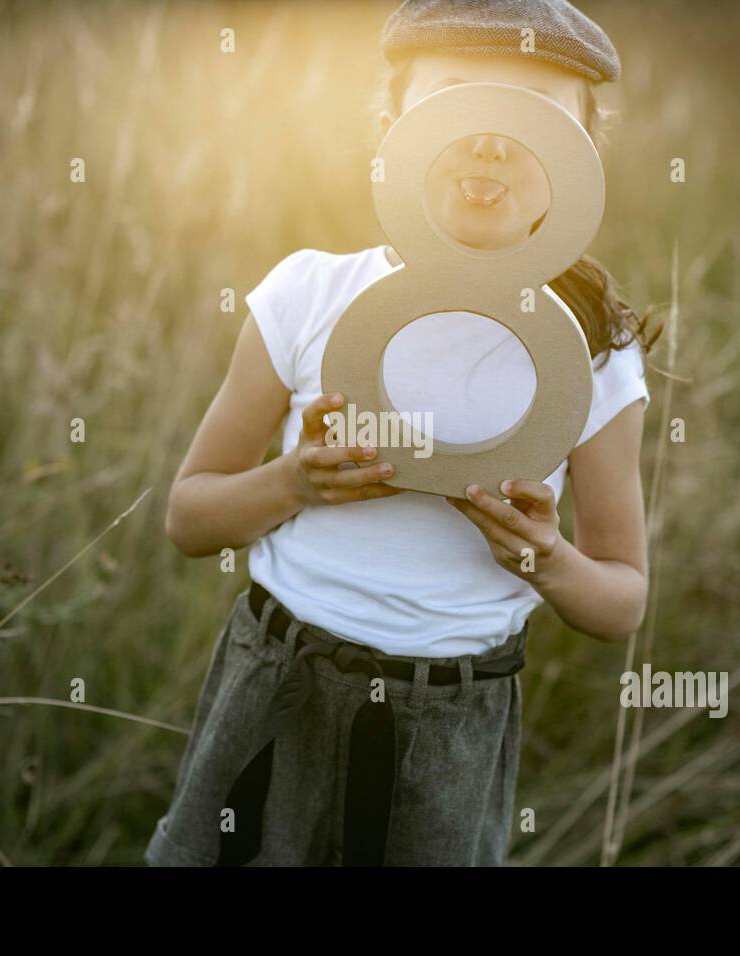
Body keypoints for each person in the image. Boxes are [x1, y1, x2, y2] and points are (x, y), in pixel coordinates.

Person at [147, 0, 658, 867]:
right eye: (457, 100)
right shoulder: (306, 297)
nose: (491, 142)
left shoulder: (591, 362)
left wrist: (543, 557)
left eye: (531, 113)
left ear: (582, 161)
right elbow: (189, 519)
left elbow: (622, 599)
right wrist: (294, 484)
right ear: (391, 130)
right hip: (276, 686)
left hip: (447, 724)